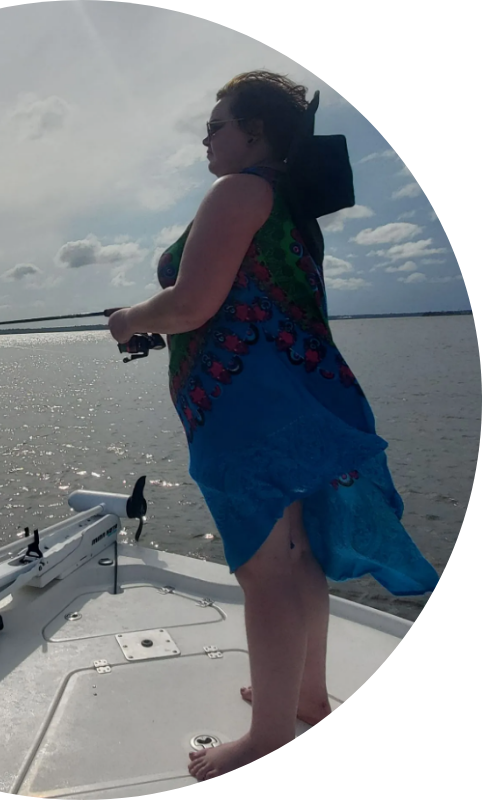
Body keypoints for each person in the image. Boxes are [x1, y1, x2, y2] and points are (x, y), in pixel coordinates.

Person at [107, 70, 439, 780]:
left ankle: (266, 738)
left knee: (265, 569)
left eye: (217, 125)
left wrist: (131, 319)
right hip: (296, 399)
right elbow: (241, 301)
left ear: (257, 130)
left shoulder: (235, 191)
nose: (206, 137)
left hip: (243, 410)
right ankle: (308, 697)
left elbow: (193, 304)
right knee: (298, 557)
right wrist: (152, 320)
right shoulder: (288, 208)